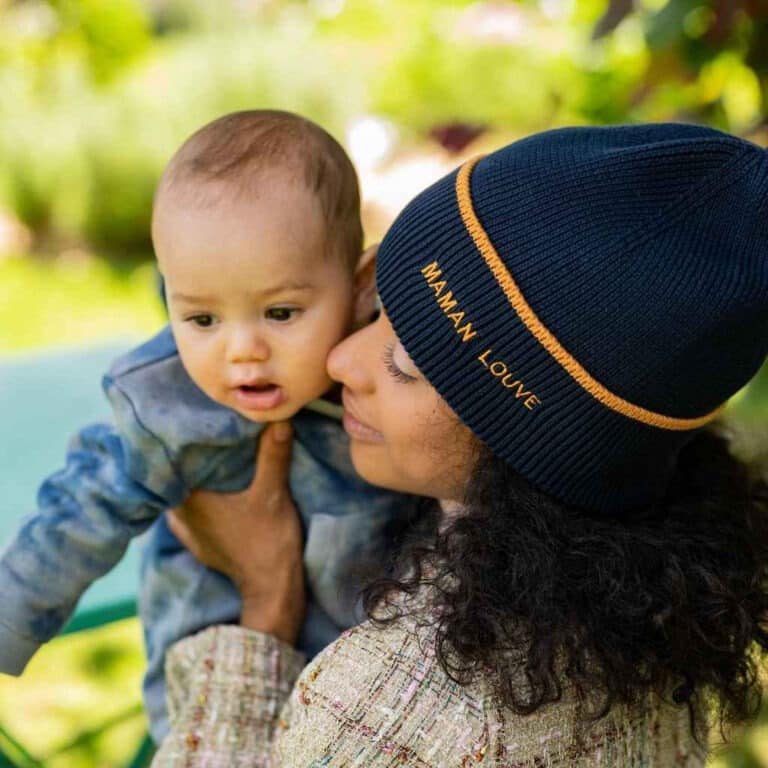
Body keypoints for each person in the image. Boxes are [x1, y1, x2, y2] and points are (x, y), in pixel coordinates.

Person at [152, 122, 768, 766]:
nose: (339, 361)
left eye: (405, 365)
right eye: (377, 311)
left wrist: (264, 600)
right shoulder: (652, 621)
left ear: (527, 439)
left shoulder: (389, 712)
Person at [0, 110, 416, 742]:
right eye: (201, 320)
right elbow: (76, 518)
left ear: (361, 288)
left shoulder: (393, 376)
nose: (241, 350)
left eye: (280, 312)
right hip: (211, 678)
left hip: (359, 690)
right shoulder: (168, 404)